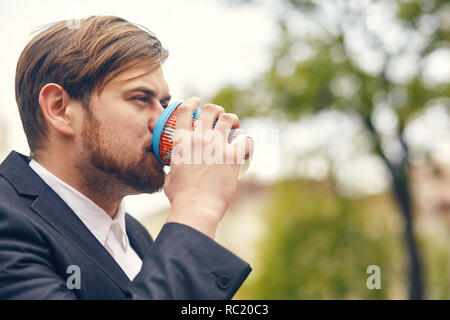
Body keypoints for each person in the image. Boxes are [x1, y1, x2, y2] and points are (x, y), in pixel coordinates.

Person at [0, 15, 252, 299]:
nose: (163, 122)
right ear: (60, 109)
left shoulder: (135, 235)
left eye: (165, 104)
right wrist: (197, 208)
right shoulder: (7, 220)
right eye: (141, 99)